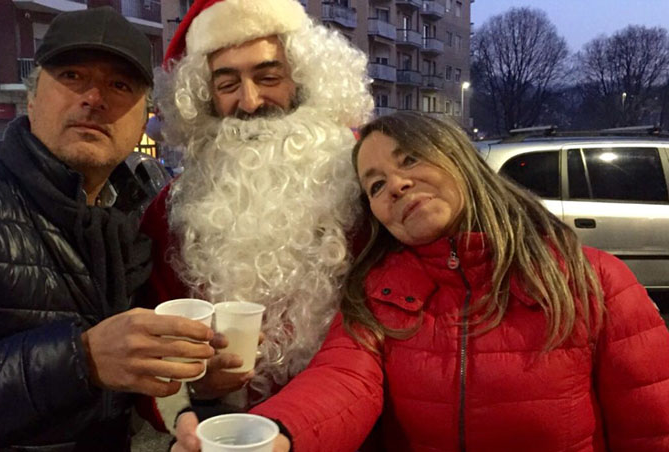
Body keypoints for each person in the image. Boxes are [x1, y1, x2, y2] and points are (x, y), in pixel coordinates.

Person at [0, 7, 215, 451]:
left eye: (120, 85)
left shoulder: (130, 214)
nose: (94, 98)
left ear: (142, 117)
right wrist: (80, 359)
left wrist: (191, 399)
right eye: (72, 76)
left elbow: (122, 380)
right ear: (31, 98)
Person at [247, 111, 669, 451]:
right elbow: (342, 379)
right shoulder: (376, 293)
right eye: (375, 185)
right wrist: (272, 435)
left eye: (409, 160)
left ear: (459, 159)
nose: (396, 185)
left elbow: (652, 430)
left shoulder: (593, 279)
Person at [138, 0, 374, 440]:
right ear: (204, 97)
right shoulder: (170, 213)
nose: (249, 102)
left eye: (268, 78)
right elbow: (147, 347)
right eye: (227, 84)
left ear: (304, 79)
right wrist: (189, 391)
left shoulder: (366, 193)